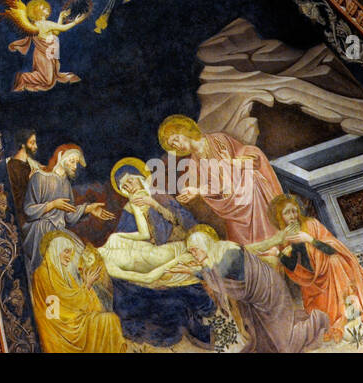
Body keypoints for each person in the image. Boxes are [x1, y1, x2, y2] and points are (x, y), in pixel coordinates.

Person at [252, 194, 363, 342]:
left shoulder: (311, 224)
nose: (292, 215)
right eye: (287, 212)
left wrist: (309, 239)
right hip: (313, 283)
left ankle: (348, 310)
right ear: (280, 217)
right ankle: (338, 315)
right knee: (321, 317)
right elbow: (293, 267)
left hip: (331, 271)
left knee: (334, 261)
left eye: (294, 210)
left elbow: (332, 248)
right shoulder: (284, 237)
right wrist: (279, 254)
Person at [105, 158, 215, 348]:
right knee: (128, 283)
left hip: (176, 245)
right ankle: (166, 328)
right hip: (149, 256)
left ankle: (196, 323)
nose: (129, 187)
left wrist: (153, 205)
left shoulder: (159, 196)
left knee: (182, 275)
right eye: (124, 186)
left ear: (140, 178)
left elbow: (185, 222)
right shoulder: (130, 208)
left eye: (130, 181)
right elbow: (127, 236)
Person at [187, 228, 328, 352]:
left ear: (204, 245)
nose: (193, 254)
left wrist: (194, 272)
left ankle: (317, 322)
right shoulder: (219, 251)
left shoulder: (228, 253)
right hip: (254, 296)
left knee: (285, 346)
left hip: (267, 291)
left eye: (194, 249)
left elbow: (218, 275)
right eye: (190, 251)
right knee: (264, 339)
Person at [156, 113, 283, 245]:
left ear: (185, 131)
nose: (176, 145)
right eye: (172, 145)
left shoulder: (218, 140)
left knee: (268, 244)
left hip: (252, 199)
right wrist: (195, 190)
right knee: (242, 248)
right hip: (233, 211)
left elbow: (253, 161)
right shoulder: (193, 163)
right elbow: (217, 188)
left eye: (176, 139)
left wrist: (232, 162)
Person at [21, 144, 112, 270]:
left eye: (76, 163)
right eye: (72, 161)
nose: (75, 166)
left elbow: (68, 217)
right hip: (40, 230)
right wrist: (52, 205)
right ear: (60, 158)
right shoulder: (40, 177)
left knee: (81, 259)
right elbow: (28, 210)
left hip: (58, 231)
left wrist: (88, 209)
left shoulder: (66, 184)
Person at [32, 230, 126, 352]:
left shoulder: (66, 276)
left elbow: (83, 304)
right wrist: (86, 285)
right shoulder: (43, 273)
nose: (69, 257)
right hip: (59, 328)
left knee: (111, 319)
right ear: (55, 250)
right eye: (66, 252)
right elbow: (67, 301)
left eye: (71, 253)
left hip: (73, 322)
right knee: (109, 320)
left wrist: (88, 287)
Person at [4, 128, 40, 224]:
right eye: (32, 143)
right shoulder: (12, 166)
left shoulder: (29, 165)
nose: (35, 146)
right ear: (23, 145)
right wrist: (30, 181)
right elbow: (16, 200)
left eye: (35, 143)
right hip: (22, 219)